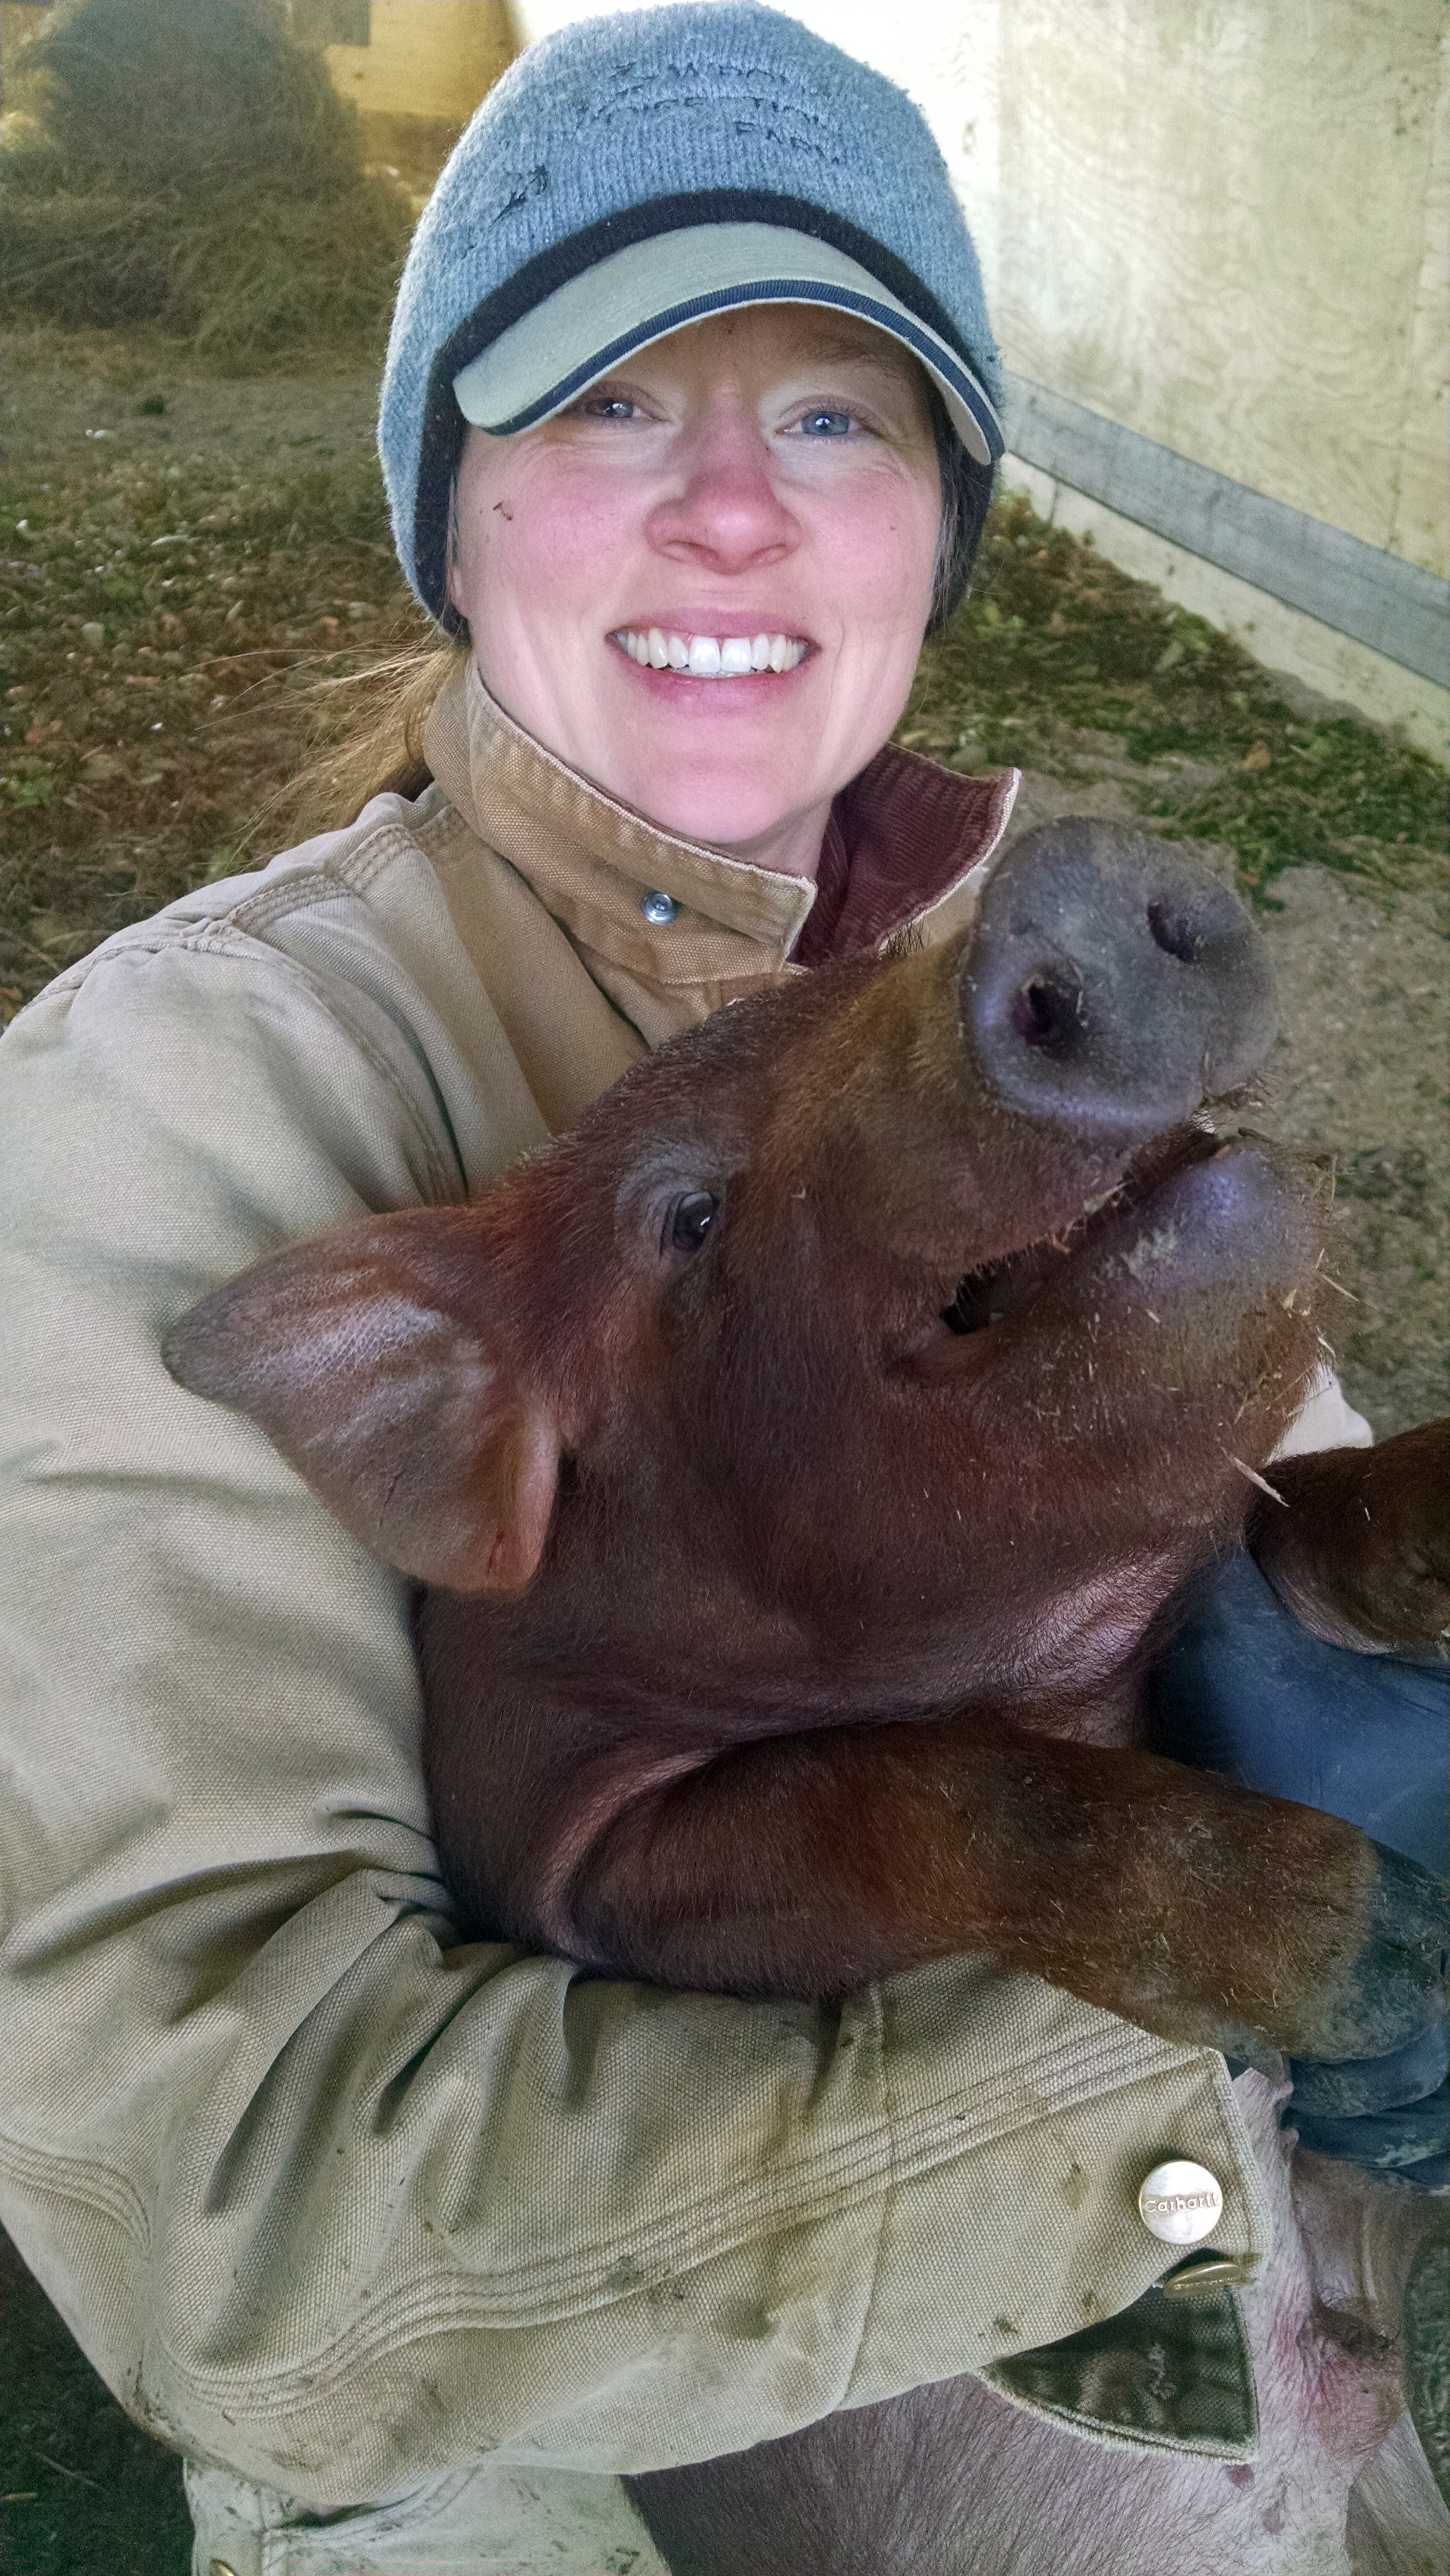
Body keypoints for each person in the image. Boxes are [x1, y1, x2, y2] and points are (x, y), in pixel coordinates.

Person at [0, 10, 1436, 2574]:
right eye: (608, 409)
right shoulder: (185, 1098)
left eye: (837, 420)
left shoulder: (1001, 990)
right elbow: (238, 2245)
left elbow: (1232, 1549)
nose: (734, 517)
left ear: (942, 530)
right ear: (453, 512)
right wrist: (1159, 1995)